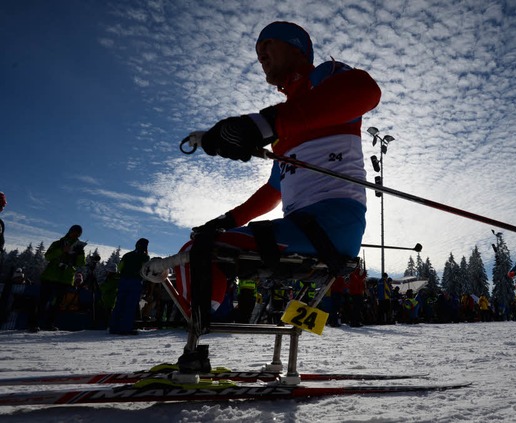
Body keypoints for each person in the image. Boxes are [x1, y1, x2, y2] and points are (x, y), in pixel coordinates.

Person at [159, 21, 381, 373]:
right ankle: (199, 337)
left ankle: (196, 348)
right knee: (199, 244)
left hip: (333, 223)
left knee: (198, 253)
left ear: (297, 48)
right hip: (300, 226)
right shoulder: (286, 127)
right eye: (257, 52)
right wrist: (225, 221)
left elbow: (366, 91)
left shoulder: (324, 78)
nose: (260, 56)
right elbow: (273, 190)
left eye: (268, 46)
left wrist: (264, 125)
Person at [32, 224, 86, 332]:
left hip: (65, 279)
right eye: (74, 232)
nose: (75, 234)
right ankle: (34, 324)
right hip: (50, 277)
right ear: (70, 231)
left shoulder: (79, 248)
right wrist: (62, 250)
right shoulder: (58, 244)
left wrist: (79, 254)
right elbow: (48, 256)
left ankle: (50, 324)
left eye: (78, 233)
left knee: (57, 304)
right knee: (43, 301)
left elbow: (81, 264)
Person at [109, 238, 150, 335]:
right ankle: (125, 328)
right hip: (135, 281)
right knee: (130, 305)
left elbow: (119, 268)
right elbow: (145, 271)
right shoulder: (144, 257)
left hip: (123, 281)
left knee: (119, 303)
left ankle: (114, 327)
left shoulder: (127, 255)